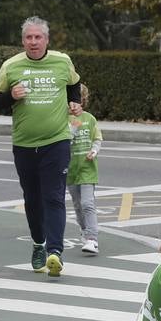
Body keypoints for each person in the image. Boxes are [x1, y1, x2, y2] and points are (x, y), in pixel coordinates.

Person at [0, 17, 81, 276]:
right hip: (25, 144)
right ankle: (39, 243)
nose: (33, 42)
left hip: (57, 141)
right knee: (32, 198)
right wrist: (10, 96)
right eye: (29, 37)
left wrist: (74, 102)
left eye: (38, 37)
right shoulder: (12, 66)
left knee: (53, 196)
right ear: (22, 41)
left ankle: (55, 252)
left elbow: (74, 85)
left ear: (47, 40)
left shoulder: (62, 61)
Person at [68, 82, 103, 255]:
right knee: (77, 205)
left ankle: (92, 239)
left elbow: (97, 138)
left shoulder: (90, 119)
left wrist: (94, 151)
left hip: (88, 168)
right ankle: (84, 229)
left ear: (83, 101)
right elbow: (62, 143)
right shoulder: (62, 119)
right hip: (70, 169)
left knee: (87, 203)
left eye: (78, 100)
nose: (73, 104)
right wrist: (72, 130)